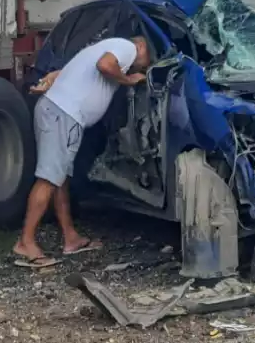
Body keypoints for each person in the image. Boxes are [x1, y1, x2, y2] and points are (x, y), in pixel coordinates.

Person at [12, 36, 152, 267]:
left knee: (60, 179)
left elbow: (68, 73)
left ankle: (71, 238)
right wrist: (129, 80)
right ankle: (25, 242)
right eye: (147, 60)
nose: (145, 65)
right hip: (62, 114)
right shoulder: (126, 48)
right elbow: (105, 66)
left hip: (60, 114)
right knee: (48, 179)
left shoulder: (100, 47)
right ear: (140, 46)